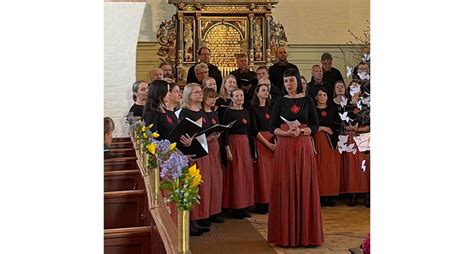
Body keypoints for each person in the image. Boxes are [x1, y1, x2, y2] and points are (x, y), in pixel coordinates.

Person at [268, 68, 324, 247]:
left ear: (298, 81)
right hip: (285, 146)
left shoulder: (307, 100)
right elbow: (272, 127)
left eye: (291, 81)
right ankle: (285, 235)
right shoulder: (279, 101)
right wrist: (285, 134)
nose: (288, 84)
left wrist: (301, 131)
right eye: (285, 82)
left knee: (304, 184)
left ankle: (307, 235)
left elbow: (315, 126)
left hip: (303, 145)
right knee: (285, 185)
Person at [178, 83, 213, 233]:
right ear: (188, 95)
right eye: (196, 92)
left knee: (203, 186)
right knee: (193, 185)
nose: (200, 94)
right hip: (191, 152)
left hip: (203, 149)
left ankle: (199, 218)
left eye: (200, 92)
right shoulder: (184, 112)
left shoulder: (201, 111)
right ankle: (191, 221)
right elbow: (183, 133)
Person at [221, 89, 255, 219]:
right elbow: (225, 132)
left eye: (241, 95)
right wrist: (227, 149)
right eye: (236, 96)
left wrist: (251, 151)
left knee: (245, 175)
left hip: (244, 144)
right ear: (231, 98)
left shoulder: (246, 111)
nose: (240, 98)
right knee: (236, 175)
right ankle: (235, 207)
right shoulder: (228, 112)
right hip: (234, 144)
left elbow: (250, 131)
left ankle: (244, 205)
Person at [341, 80, 370, 208]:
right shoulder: (345, 105)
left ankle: (367, 196)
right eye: (352, 87)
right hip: (350, 138)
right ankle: (352, 195)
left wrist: (359, 129)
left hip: (363, 136)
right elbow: (341, 123)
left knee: (364, 167)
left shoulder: (366, 105)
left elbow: (370, 124)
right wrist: (349, 128)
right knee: (352, 167)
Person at [249, 84, 275, 214]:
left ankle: (271, 201)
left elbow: (276, 125)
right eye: (263, 90)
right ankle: (261, 202)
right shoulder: (253, 109)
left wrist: (274, 141)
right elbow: (254, 130)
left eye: (267, 90)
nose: (266, 92)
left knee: (271, 174)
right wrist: (267, 144)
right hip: (260, 142)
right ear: (257, 93)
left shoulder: (272, 108)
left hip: (272, 142)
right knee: (261, 174)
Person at [313, 88, 340, 207]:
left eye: (324, 94)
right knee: (318, 168)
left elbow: (337, 125)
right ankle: (320, 196)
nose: (322, 96)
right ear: (316, 97)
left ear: (327, 97)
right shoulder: (312, 110)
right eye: (320, 94)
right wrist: (322, 128)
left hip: (330, 142)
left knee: (329, 168)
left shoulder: (333, 110)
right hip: (317, 141)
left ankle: (329, 196)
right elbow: (311, 126)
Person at [201, 87, 225, 223]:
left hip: (215, 146)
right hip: (206, 146)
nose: (213, 100)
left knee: (216, 179)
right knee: (207, 180)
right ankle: (206, 212)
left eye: (215, 98)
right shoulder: (201, 113)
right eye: (211, 98)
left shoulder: (214, 113)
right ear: (204, 98)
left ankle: (215, 210)